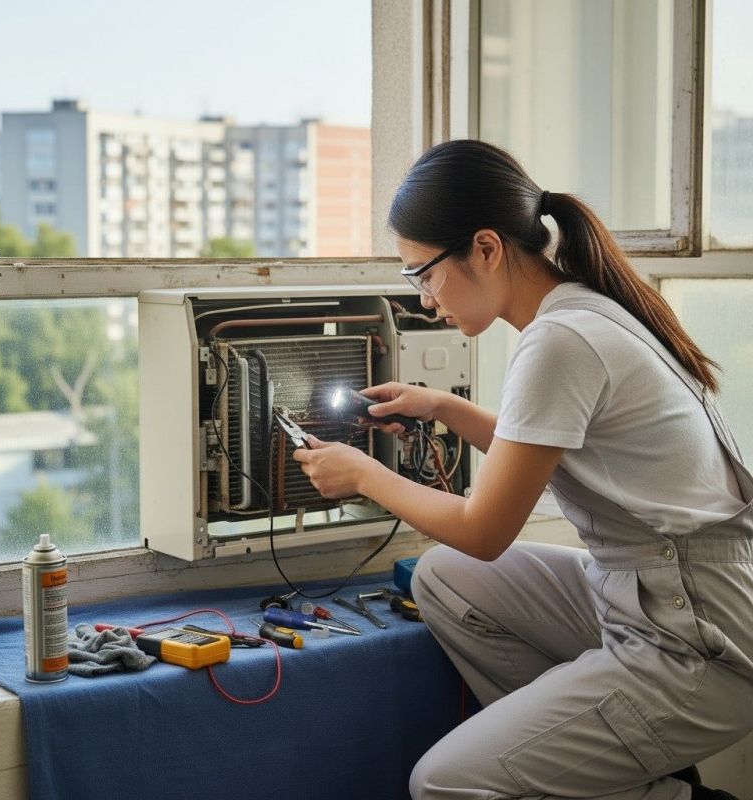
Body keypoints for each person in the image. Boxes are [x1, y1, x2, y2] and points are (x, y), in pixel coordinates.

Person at [293, 139, 753, 800]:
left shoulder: (559, 341)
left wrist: (362, 475)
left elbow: (484, 531)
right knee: (444, 577)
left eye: (423, 274)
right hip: (655, 591)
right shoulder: (583, 306)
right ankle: (607, 756)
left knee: (446, 784)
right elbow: (549, 446)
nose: (425, 300)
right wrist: (443, 406)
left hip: (697, 640)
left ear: (485, 247)